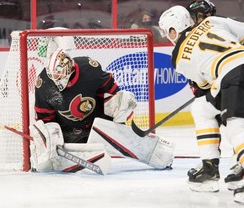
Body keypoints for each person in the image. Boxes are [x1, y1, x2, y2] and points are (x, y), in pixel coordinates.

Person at [158, 4, 244, 205]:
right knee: (202, 108)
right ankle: (209, 167)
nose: (166, 37)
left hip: (233, 77)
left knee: (236, 128)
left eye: (166, 32)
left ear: (173, 30)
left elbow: (204, 84)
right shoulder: (211, 21)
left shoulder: (177, 57)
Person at [31, 46, 175, 173]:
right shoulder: (43, 84)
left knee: (124, 98)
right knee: (42, 130)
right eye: (53, 76)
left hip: (98, 121)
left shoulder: (88, 68)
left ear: (69, 68)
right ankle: (50, 160)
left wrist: (120, 114)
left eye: (59, 75)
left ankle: (158, 152)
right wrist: (50, 142)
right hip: (70, 132)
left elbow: (112, 91)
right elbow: (45, 119)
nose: (56, 79)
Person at [186, 0, 244, 189]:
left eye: (203, 16)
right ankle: (231, 162)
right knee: (220, 115)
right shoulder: (200, 39)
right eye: (198, 17)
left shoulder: (219, 26)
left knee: (234, 122)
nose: (201, 20)